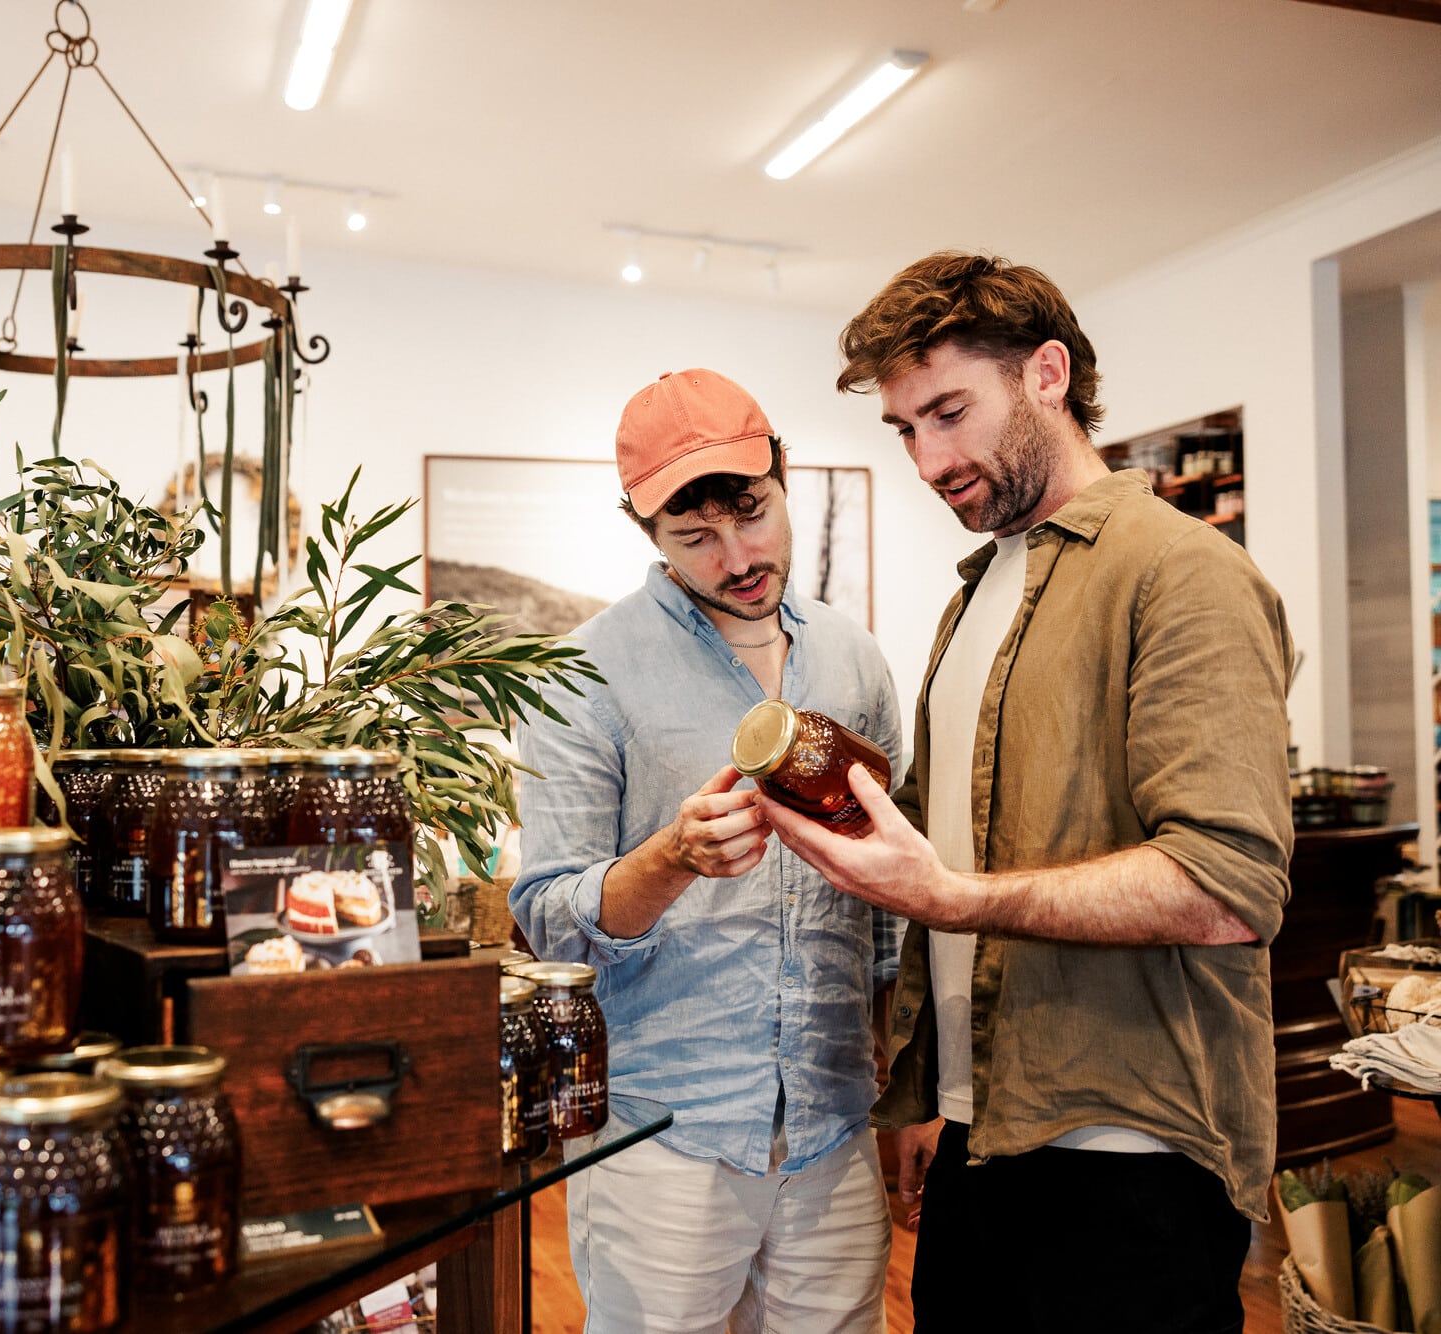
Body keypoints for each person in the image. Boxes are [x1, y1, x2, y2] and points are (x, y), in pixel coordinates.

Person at [765, 253, 1292, 1334]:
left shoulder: (1182, 573)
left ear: (1045, 372)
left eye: (948, 412)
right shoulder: (978, 592)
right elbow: (956, 851)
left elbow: (1227, 886)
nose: (926, 458)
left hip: (1128, 1157)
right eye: (903, 429)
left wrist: (953, 897)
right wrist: (930, 1093)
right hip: (979, 1138)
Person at [511, 368, 902, 1334]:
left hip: (836, 1122)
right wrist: (669, 858)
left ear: (783, 476)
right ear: (647, 532)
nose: (738, 556)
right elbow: (548, 920)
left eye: (754, 514)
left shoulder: (854, 661)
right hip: (663, 1133)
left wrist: (910, 1083)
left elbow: (891, 907)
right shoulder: (583, 674)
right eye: (696, 537)